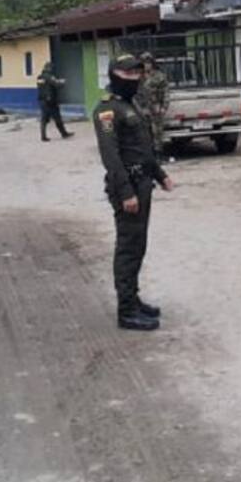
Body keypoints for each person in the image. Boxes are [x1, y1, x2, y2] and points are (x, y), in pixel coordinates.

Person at [93, 54, 175, 331]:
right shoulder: (107, 110)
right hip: (127, 186)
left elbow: (143, 148)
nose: (135, 79)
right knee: (128, 248)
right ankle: (126, 311)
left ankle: (134, 298)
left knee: (138, 245)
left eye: (137, 74)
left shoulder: (131, 105)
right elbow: (111, 156)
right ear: (114, 75)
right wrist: (126, 192)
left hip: (143, 183)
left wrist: (160, 175)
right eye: (128, 74)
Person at [140, 52, 169, 157]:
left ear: (152, 63)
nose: (146, 65)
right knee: (143, 132)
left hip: (155, 107)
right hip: (141, 108)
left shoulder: (159, 76)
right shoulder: (138, 76)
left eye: (148, 63)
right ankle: (147, 154)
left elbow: (166, 92)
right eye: (144, 63)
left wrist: (164, 107)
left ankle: (158, 154)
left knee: (157, 132)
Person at [37, 62, 73, 142]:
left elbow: (43, 86)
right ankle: (64, 134)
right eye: (51, 68)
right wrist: (62, 82)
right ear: (49, 68)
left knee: (44, 120)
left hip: (42, 100)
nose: (52, 69)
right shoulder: (49, 76)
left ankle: (43, 136)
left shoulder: (39, 77)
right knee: (57, 118)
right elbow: (56, 84)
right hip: (51, 101)